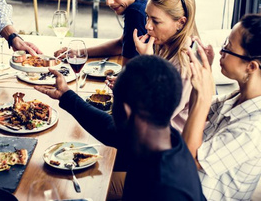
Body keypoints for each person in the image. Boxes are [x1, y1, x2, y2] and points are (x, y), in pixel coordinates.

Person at [35, 55, 206, 200]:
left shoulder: (163, 189)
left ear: (125, 110)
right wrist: (66, 95)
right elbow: (109, 128)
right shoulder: (163, 138)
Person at [183, 11, 261, 200]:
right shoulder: (240, 98)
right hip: (184, 186)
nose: (221, 52)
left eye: (227, 48)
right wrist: (204, 73)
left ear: (251, 67)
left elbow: (189, 159)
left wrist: (204, 88)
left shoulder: (255, 128)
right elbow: (196, 111)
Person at [131, 0, 207, 132]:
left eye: (156, 21)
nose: (147, 26)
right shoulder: (163, 44)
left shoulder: (185, 66)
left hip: (167, 146)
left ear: (181, 23)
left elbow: (153, 116)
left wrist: (147, 62)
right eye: (147, 16)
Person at [54, 0, 151, 65]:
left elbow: (128, 73)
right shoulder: (146, 0)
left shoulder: (135, 11)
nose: (108, 2)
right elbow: (121, 44)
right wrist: (79, 53)